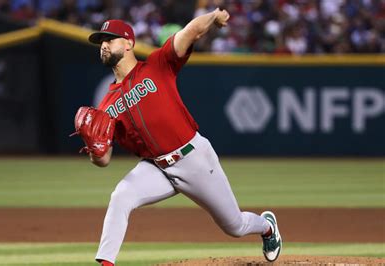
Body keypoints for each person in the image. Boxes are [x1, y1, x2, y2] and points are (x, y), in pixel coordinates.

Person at [86, 8, 282, 266]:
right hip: (155, 167)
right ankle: (106, 263)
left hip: (193, 157)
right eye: (101, 41)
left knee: (234, 225)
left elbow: (191, 31)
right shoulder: (106, 105)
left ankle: (267, 227)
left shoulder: (157, 65)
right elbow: (104, 159)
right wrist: (94, 148)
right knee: (121, 196)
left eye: (110, 39)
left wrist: (213, 16)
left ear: (129, 43)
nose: (104, 45)